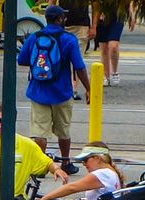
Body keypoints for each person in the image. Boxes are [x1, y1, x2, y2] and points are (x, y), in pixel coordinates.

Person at [18, 4, 91, 176]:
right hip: (62, 92)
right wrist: (89, 88)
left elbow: (21, 59)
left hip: (38, 91)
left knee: (39, 132)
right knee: (63, 130)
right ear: (59, 19)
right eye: (63, 17)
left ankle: (41, 165)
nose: (65, 19)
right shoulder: (68, 39)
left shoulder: (35, 37)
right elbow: (79, 67)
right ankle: (65, 162)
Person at [51, 0, 92, 101]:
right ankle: (65, 86)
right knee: (61, 58)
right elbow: (51, 3)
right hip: (62, 24)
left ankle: (73, 89)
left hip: (81, 25)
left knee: (77, 58)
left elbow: (95, 5)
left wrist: (94, 26)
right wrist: (51, 23)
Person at [93, 2, 135, 86]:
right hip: (102, 17)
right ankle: (106, 76)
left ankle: (115, 71)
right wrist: (94, 24)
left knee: (113, 46)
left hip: (118, 16)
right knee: (104, 49)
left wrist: (132, 16)